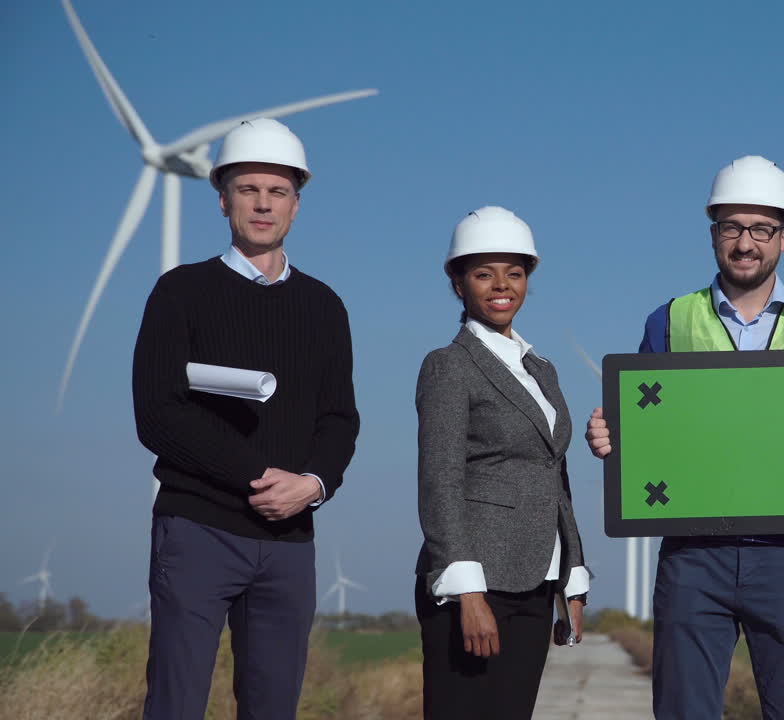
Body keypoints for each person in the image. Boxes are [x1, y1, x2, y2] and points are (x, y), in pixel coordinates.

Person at [584, 156, 784, 720]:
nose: (745, 243)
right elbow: (643, 429)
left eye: (761, 229)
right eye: (732, 227)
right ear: (713, 235)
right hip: (693, 555)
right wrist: (609, 437)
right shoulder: (669, 321)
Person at [132, 117, 359, 719]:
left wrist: (311, 485)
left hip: (289, 541)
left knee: (273, 708)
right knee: (177, 703)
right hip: (198, 531)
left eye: (277, 191)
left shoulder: (325, 306)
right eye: (248, 189)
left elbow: (339, 419)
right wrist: (261, 478)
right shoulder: (179, 291)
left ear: (296, 204)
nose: (263, 203)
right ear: (223, 198)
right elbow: (157, 414)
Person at [415, 206, 590, 720]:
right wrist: (467, 591)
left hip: (536, 581)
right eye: (483, 273)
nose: (501, 285)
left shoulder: (543, 369)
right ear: (458, 283)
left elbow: (555, 477)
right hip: (476, 585)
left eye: (514, 273)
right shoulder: (448, 365)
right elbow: (440, 480)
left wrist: (572, 577)